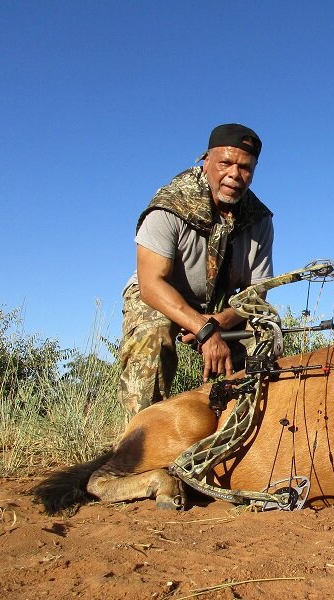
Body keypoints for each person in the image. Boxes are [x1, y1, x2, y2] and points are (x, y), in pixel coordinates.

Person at [119, 123, 274, 419]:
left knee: (266, 335)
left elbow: (258, 293)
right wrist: (203, 330)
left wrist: (219, 321)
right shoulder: (169, 205)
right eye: (225, 163)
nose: (234, 175)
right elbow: (152, 284)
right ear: (205, 161)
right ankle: (137, 442)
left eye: (245, 168)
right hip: (160, 298)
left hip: (218, 308)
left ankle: (242, 429)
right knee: (154, 333)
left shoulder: (260, 219)